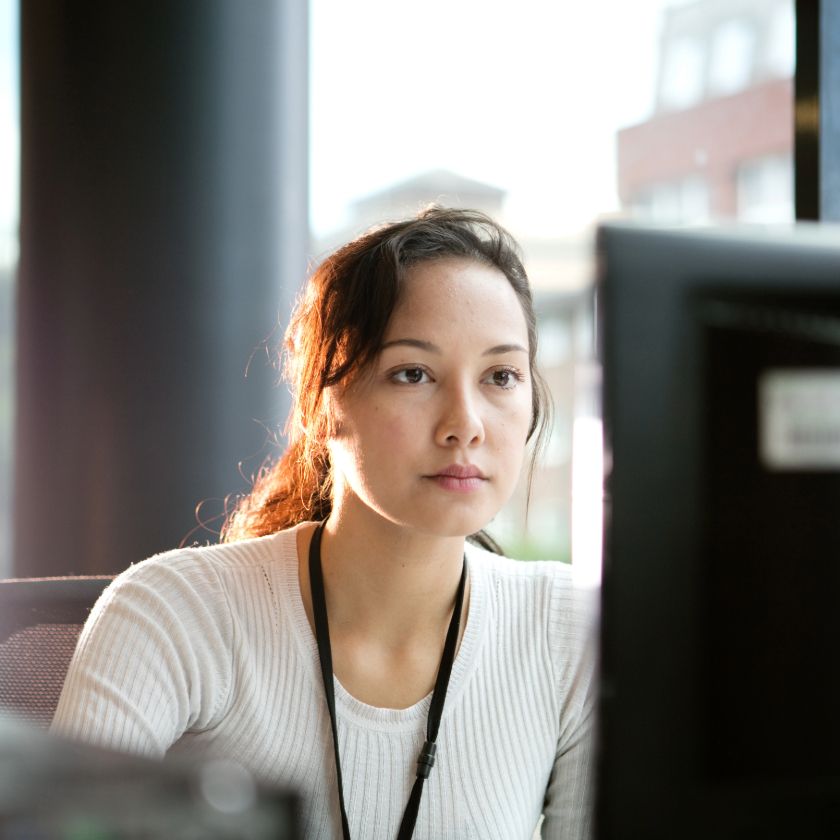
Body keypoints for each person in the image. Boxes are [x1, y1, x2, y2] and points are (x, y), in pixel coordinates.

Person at [51, 207, 595, 840]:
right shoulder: (172, 614)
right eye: (412, 373)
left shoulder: (571, 634)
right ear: (325, 406)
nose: (465, 423)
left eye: (501, 376)